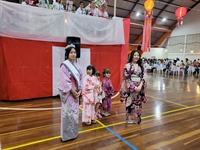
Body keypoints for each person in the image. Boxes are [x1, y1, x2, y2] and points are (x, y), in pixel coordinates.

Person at [58, 44, 83, 142]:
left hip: (76, 92)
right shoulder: (64, 66)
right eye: (71, 52)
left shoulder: (77, 66)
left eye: (74, 52)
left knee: (74, 113)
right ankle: (66, 135)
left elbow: (80, 79)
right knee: (67, 113)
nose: (73, 54)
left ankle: (73, 133)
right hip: (69, 93)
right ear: (67, 54)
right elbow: (63, 80)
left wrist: (80, 90)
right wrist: (72, 91)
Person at [120, 50, 147, 124]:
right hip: (130, 88)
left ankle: (136, 119)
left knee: (138, 103)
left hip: (139, 87)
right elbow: (126, 77)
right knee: (130, 103)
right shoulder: (127, 65)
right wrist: (134, 87)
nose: (136, 57)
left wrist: (140, 85)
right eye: (134, 55)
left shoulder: (141, 66)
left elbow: (144, 76)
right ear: (131, 56)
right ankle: (130, 119)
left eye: (137, 55)